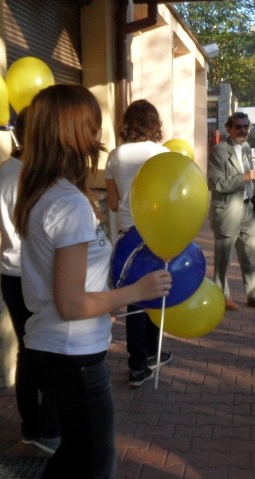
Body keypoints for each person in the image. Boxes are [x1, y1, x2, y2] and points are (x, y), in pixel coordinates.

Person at [13, 85, 171, 478]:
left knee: (74, 456)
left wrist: (108, 302)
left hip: (58, 349)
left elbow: (70, 289)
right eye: (94, 125)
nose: (99, 136)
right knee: (96, 465)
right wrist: (137, 292)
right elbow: (71, 303)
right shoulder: (67, 204)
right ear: (73, 131)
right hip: (72, 355)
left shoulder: (48, 192)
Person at [0, 111, 60, 454]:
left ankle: (33, 423)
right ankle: (41, 426)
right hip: (36, 274)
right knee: (47, 352)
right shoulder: (40, 176)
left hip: (9, 274)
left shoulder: (1, 171)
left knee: (27, 350)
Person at [104, 99, 173, 388]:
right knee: (155, 294)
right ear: (153, 124)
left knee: (135, 296)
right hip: (156, 232)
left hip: (126, 231)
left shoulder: (114, 156)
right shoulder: (163, 153)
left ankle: (142, 356)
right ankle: (141, 362)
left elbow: (113, 202)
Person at [207, 112, 255, 311]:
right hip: (227, 211)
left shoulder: (246, 148)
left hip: (247, 210)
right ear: (229, 128)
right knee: (223, 258)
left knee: (252, 254)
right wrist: (243, 177)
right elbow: (215, 183)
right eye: (238, 126)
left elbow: (251, 178)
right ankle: (221, 296)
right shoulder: (219, 151)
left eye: (246, 126)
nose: (243, 130)